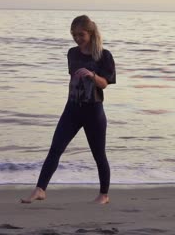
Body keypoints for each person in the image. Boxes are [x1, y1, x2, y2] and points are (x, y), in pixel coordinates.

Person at [21, 15, 116, 205]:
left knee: (99, 155)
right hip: (72, 108)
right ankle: (40, 189)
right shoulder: (72, 53)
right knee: (55, 149)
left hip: (93, 110)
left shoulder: (104, 56)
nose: (77, 38)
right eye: (74, 35)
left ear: (90, 33)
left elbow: (105, 84)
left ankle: (104, 195)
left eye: (81, 34)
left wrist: (92, 75)